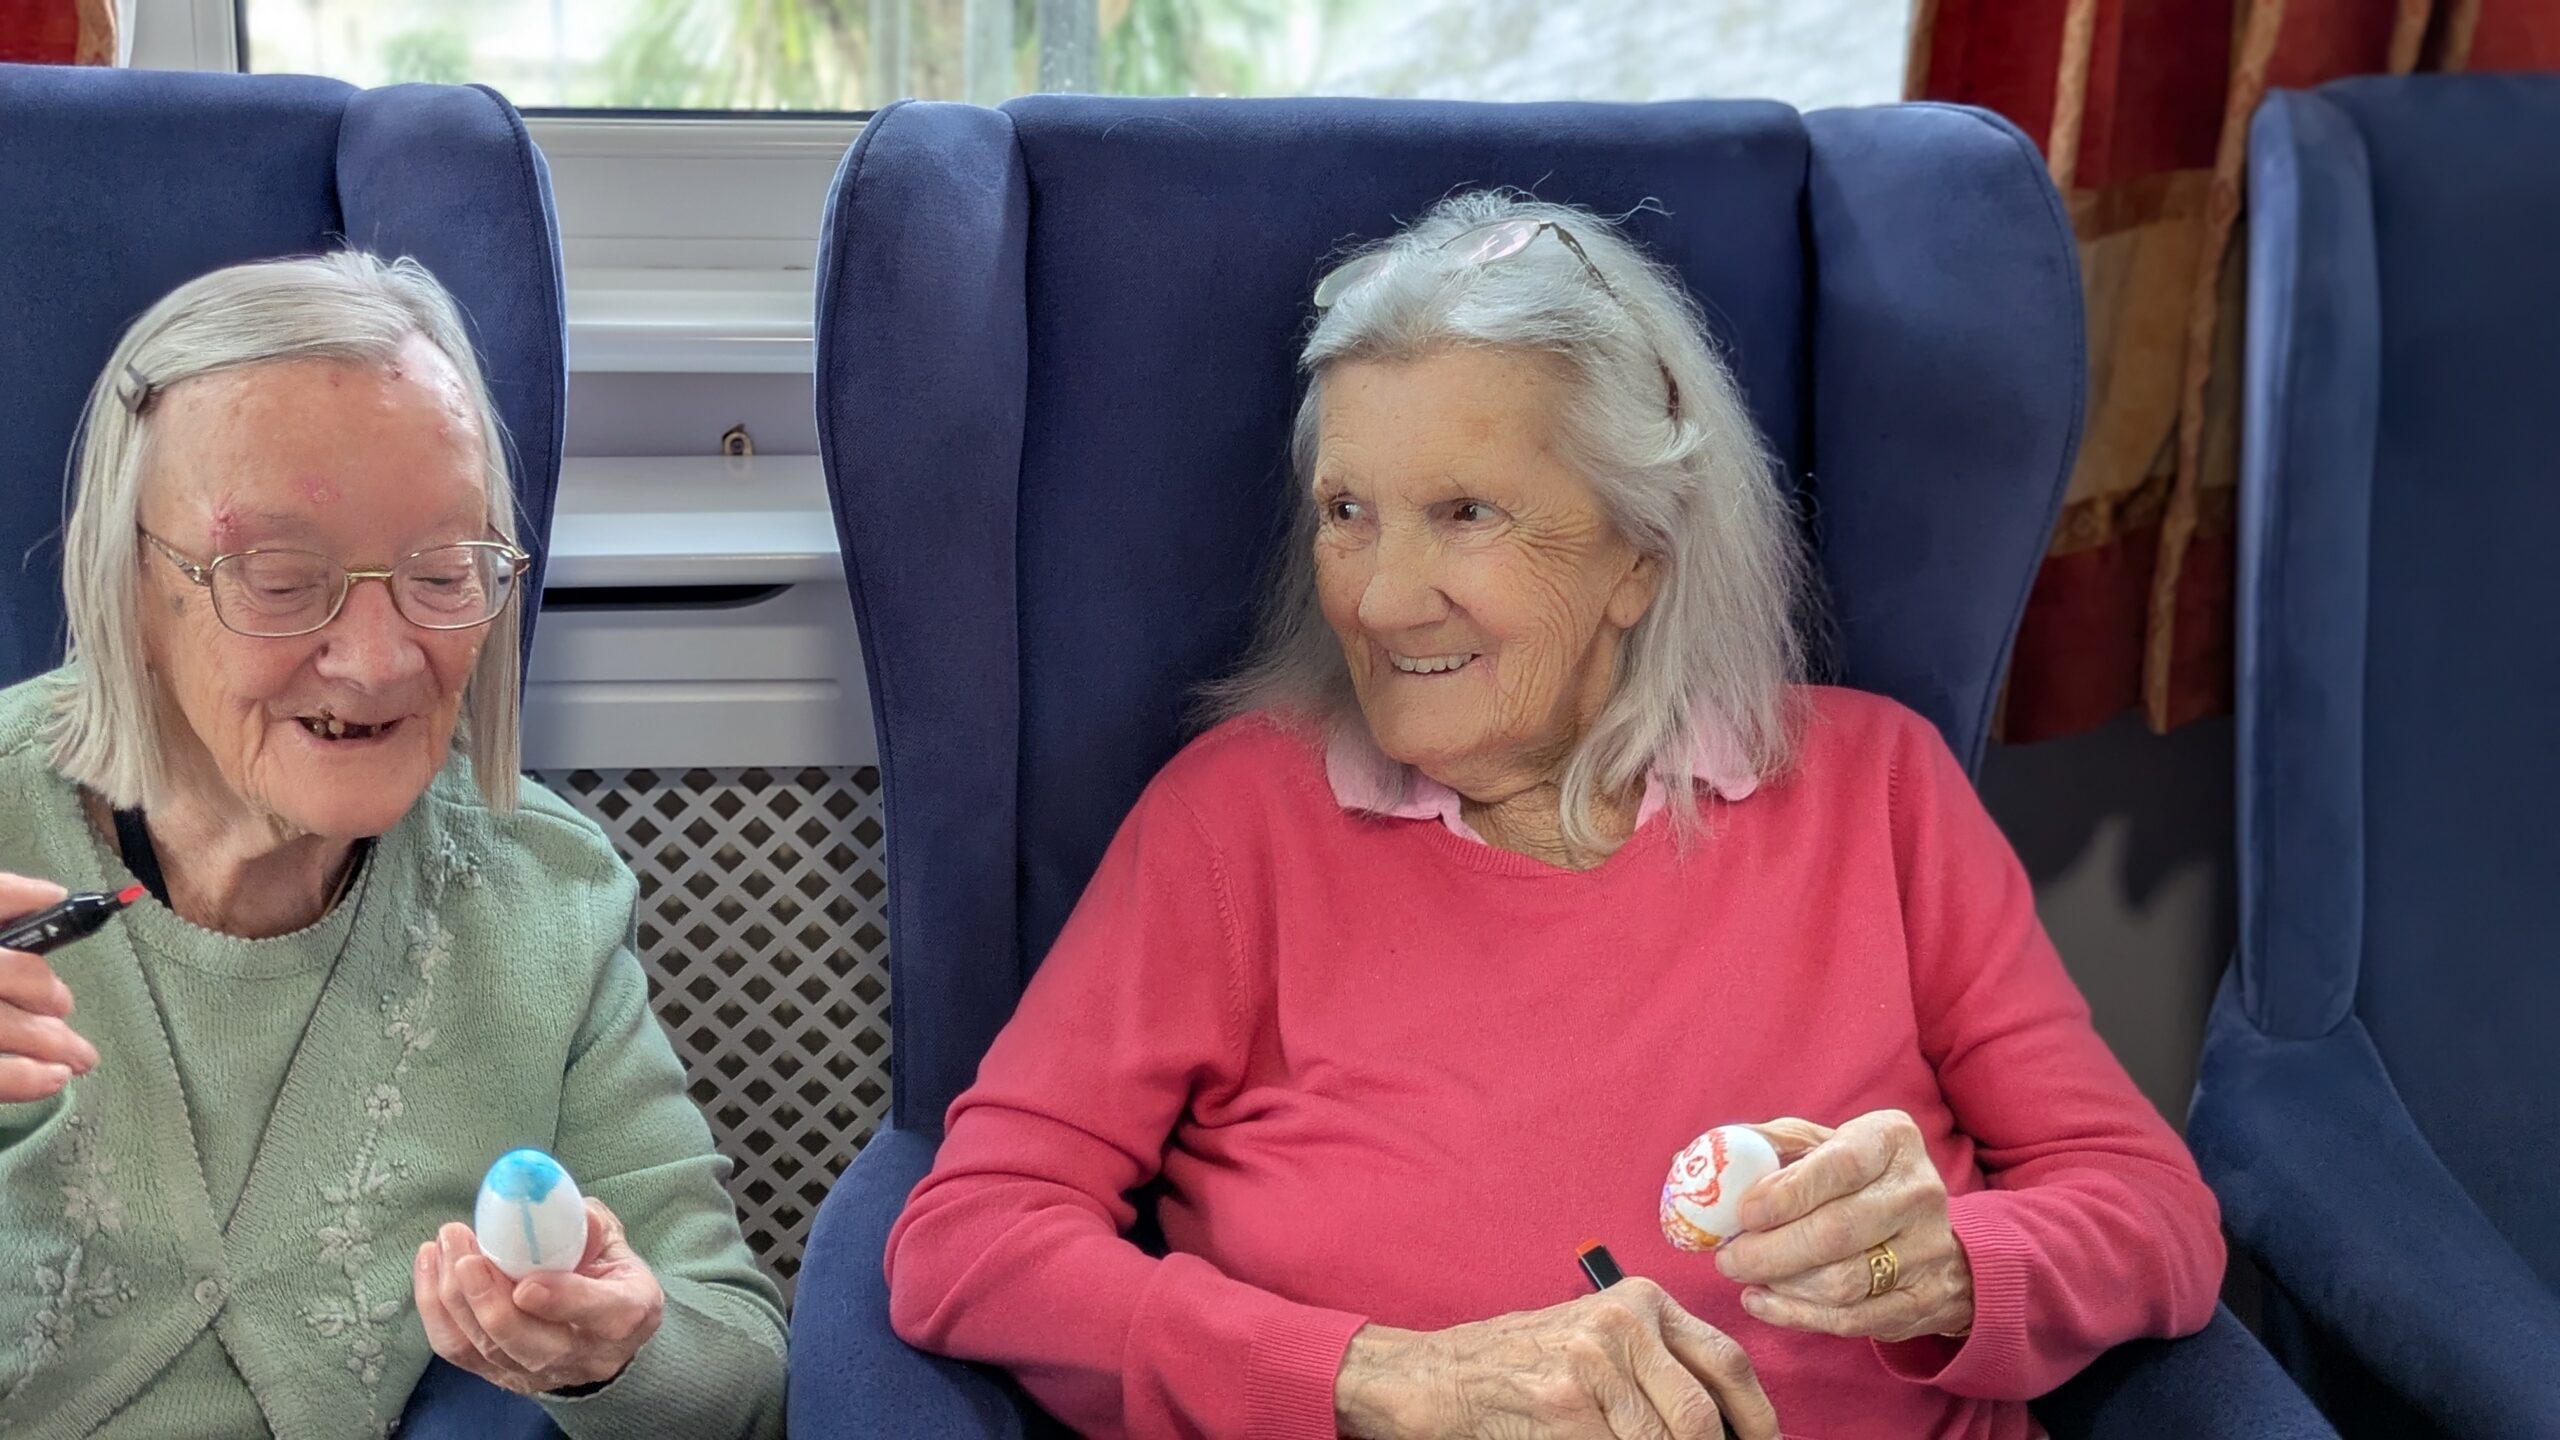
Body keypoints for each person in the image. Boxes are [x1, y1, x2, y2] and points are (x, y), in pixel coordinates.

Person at [884, 193, 2224, 1439]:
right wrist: (1382, 1377)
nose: (1379, 599)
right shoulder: (1235, 822)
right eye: (1348, 512)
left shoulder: (1880, 790)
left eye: (1465, 513)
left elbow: (2154, 1215)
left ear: (1641, 553)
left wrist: (1953, 1267)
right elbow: (971, 1242)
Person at [0, 253, 786, 1437]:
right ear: (128, 588)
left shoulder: (543, 898)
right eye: (279, 577)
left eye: (442, 571)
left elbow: (739, 1375)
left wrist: (614, 1353)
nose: (378, 661)